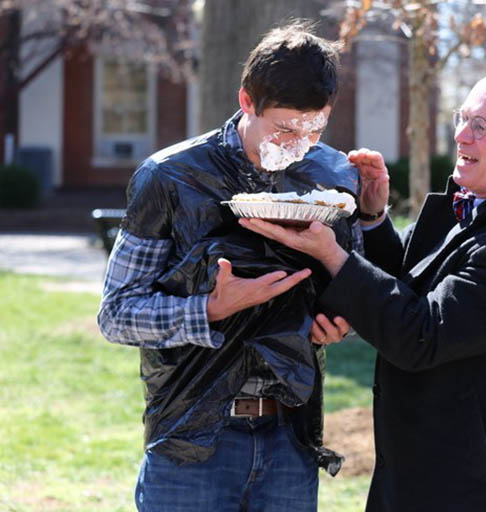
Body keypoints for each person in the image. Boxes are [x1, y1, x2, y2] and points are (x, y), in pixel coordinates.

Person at [242, 69, 486, 511]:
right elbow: (411, 287)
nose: (461, 134)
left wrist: (332, 254)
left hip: (472, 492)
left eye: (483, 127)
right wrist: (373, 217)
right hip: (423, 472)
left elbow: (421, 335)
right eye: (463, 117)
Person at [98, 21, 356, 512]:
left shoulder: (333, 174)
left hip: (291, 436)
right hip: (192, 440)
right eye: (283, 128)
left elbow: (354, 284)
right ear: (245, 101)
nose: (299, 144)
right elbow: (115, 314)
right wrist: (209, 309)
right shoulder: (168, 177)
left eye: (314, 127)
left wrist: (341, 323)